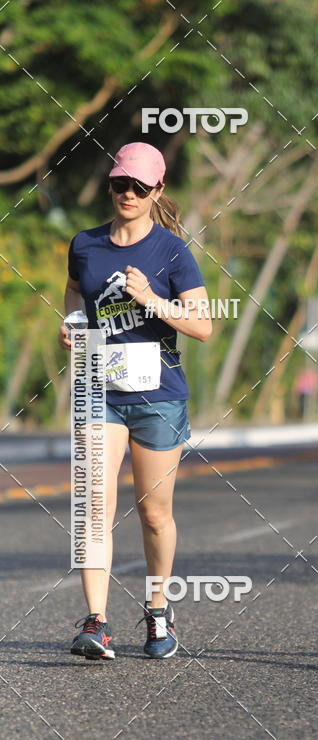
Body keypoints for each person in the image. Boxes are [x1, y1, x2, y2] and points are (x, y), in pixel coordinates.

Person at [58, 142, 211, 660]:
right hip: (99, 391)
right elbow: (76, 291)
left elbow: (203, 326)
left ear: (158, 191)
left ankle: (158, 611)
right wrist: (75, 321)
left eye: (140, 187)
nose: (129, 194)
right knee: (92, 509)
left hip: (158, 398)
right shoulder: (86, 243)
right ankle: (96, 622)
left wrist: (151, 300)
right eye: (121, 184)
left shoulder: (172, 252)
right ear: (111, 185)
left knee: (153, 514)